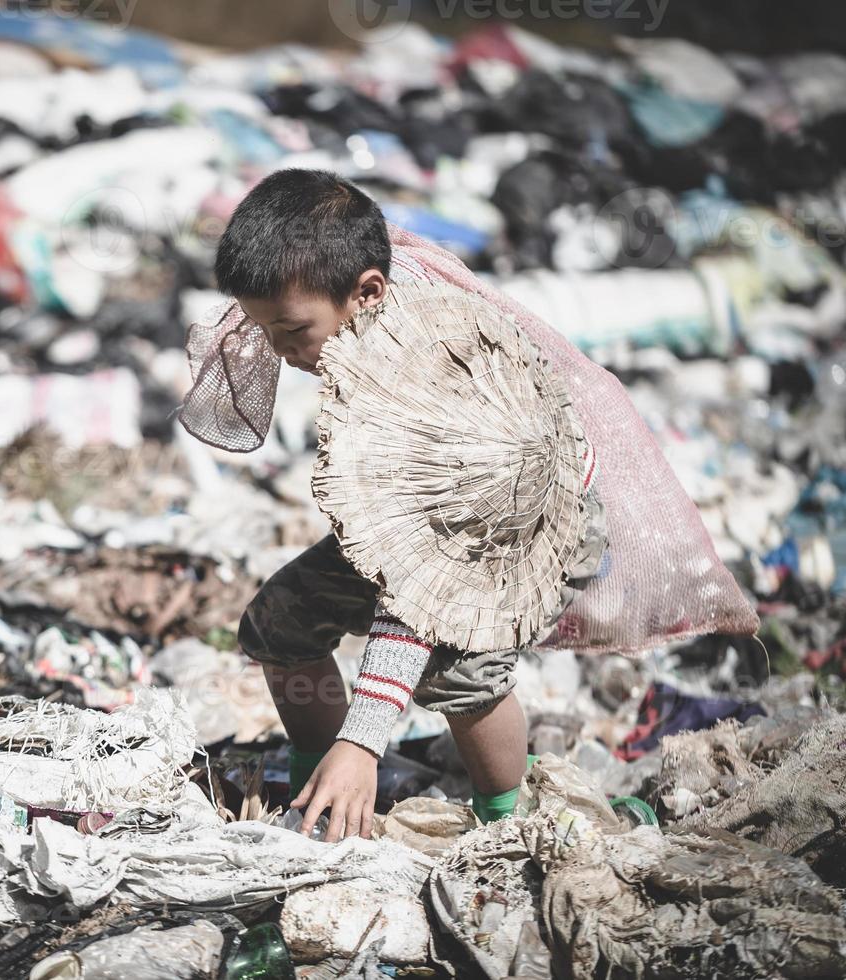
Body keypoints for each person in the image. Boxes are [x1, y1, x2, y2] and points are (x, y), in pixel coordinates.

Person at [182, 168, 609, 841]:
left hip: (522, 528)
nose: (282, 352)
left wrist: (366, 743)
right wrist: (345, 752)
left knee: (462, 671)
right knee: (279, 623)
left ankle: (507, 819)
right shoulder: (365, 334)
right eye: (267, 332)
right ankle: (322, 789)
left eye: (294, 331)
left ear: (368, 291)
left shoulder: (433, 396)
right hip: (427, 528)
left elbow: (414, 603)